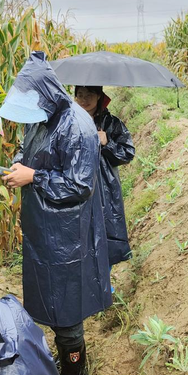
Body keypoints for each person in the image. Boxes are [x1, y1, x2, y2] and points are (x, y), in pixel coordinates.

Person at [0, 51, 110, 375]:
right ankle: (62, 357)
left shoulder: (77, 126)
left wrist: (34, 177)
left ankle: (76, 371)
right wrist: (19, 166)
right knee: (48, 292)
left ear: (47, 92)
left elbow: (80, 185)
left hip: (67, 233)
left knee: (66, 301)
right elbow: (26, 148)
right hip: (42, 229)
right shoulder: (42, 116)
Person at [74, 86, 135, 282]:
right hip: (76, 185)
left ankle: (103, 282)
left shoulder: (111, 123)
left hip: (104, 187)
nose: (84, 100)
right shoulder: (69, 121)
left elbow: (127, 153)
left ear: (99, 96)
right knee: (79, 233)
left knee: (105, 233)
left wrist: (107, 143)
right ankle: (83, 280)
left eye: (89, 95)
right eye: (80, 95)